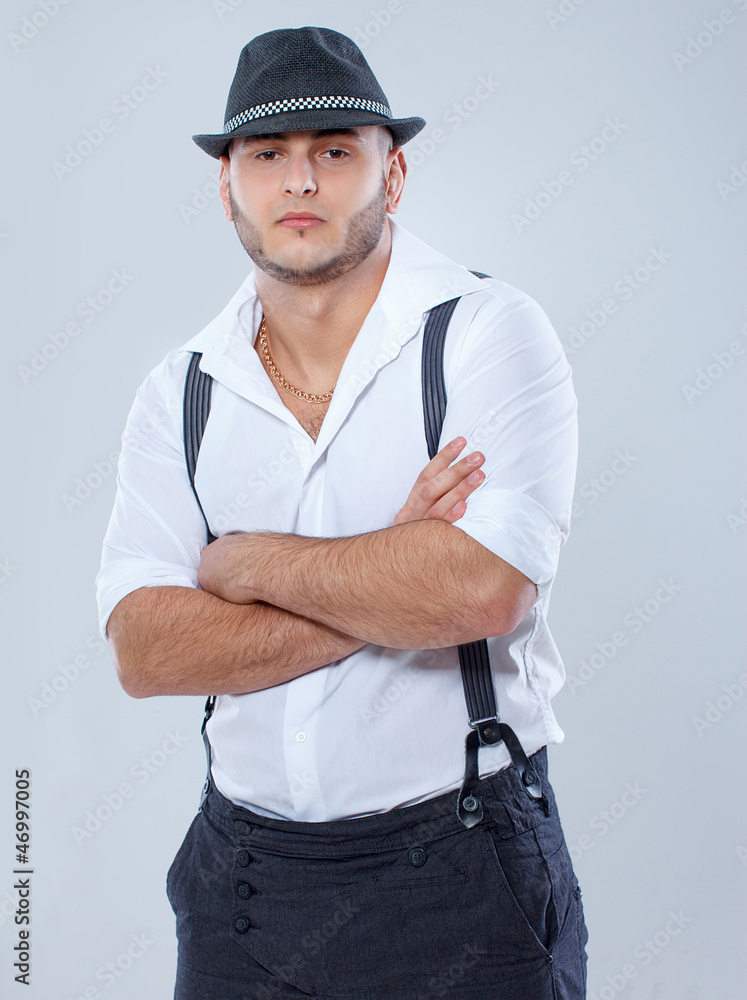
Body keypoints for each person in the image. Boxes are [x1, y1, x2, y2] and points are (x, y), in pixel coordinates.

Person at [96, 25, 588, 1000]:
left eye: (334, 150)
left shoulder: (487, 335)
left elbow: (481, 593)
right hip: (243, 883)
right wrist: (393, 561)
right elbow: (147, 652)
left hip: (461, 870)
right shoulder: (179, 391)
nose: (301, 182)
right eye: (267, 155)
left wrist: (240, 565)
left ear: (391, 174)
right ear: (227, 185)